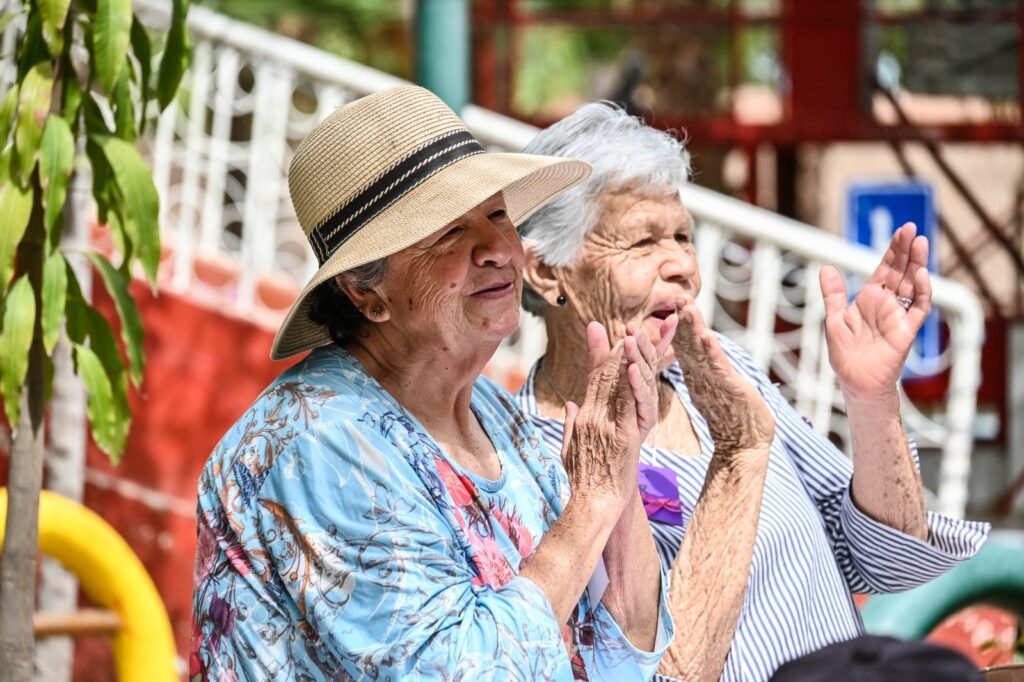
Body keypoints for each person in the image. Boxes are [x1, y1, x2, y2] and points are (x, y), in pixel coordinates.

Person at [189, 86, 679, 682]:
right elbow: (463, 674)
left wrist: (619, 474)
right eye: (448, 231)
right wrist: (590, 506)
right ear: (365, 292)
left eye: (498, 215)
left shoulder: (496, 415)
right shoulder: (317, 441)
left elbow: (626, 653)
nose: (497, 249)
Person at [514, 102, 991, 682]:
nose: (682, 267)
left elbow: (885, 557)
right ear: (545, 270)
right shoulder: (532, 458)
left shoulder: (719, 374)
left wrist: (872, 398)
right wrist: (738, 452)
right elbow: (644, 669)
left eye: (683, 237)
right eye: (642, 243)